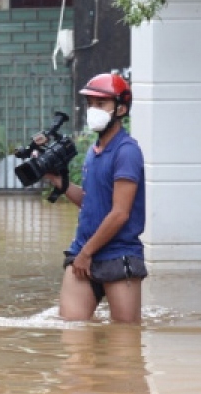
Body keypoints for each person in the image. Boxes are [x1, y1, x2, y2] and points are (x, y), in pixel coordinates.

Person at [44, 72, 147, 323]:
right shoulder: (94, 150)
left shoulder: (127, 152)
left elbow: (120, 213)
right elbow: (91, 202)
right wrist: (59, 182)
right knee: (72, 336)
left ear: (121, 109)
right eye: (90, 104)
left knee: (124, 341)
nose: (93, 110)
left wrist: (87, 253)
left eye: (101, 104)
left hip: (117, 255)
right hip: (83, 253)